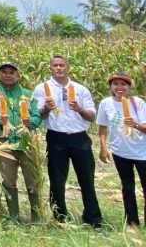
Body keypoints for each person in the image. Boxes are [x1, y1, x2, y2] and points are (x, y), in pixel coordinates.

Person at [33, 55, 102, 227]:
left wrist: (79, 109)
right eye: (55, 65)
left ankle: (93, 218)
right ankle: (60, 217)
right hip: (56, 137)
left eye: (61, 65)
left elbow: (92, 116)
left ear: (67, 68)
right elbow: (39, 115)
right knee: (57, 180)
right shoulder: (42, 88)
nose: (58, 68)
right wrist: (46, 108)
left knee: (87, 179)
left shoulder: (80, 89)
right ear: (50, 68)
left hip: (80, 138)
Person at [0, 61, 42, 224]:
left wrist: (31, 122)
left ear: (17, 75)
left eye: (11, 72)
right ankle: (14, 217)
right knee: (8, 180)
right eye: (4, 72)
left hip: (26, 143)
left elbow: (37, 116)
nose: (8, 75)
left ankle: (37, 218)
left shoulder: (28, 94)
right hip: (6, 144)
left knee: (33, 180)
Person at [98, 72, 146, 231]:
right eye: (115, 84)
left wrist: (135, 125)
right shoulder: (106, 103)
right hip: (120, 152)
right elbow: (103, 127)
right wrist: (103, 147)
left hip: (142, 151)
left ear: (129, 87)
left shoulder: (138, 103)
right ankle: (132, 222)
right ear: (110, 87)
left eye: (123, 84)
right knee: (127, 187)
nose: (119, 87)